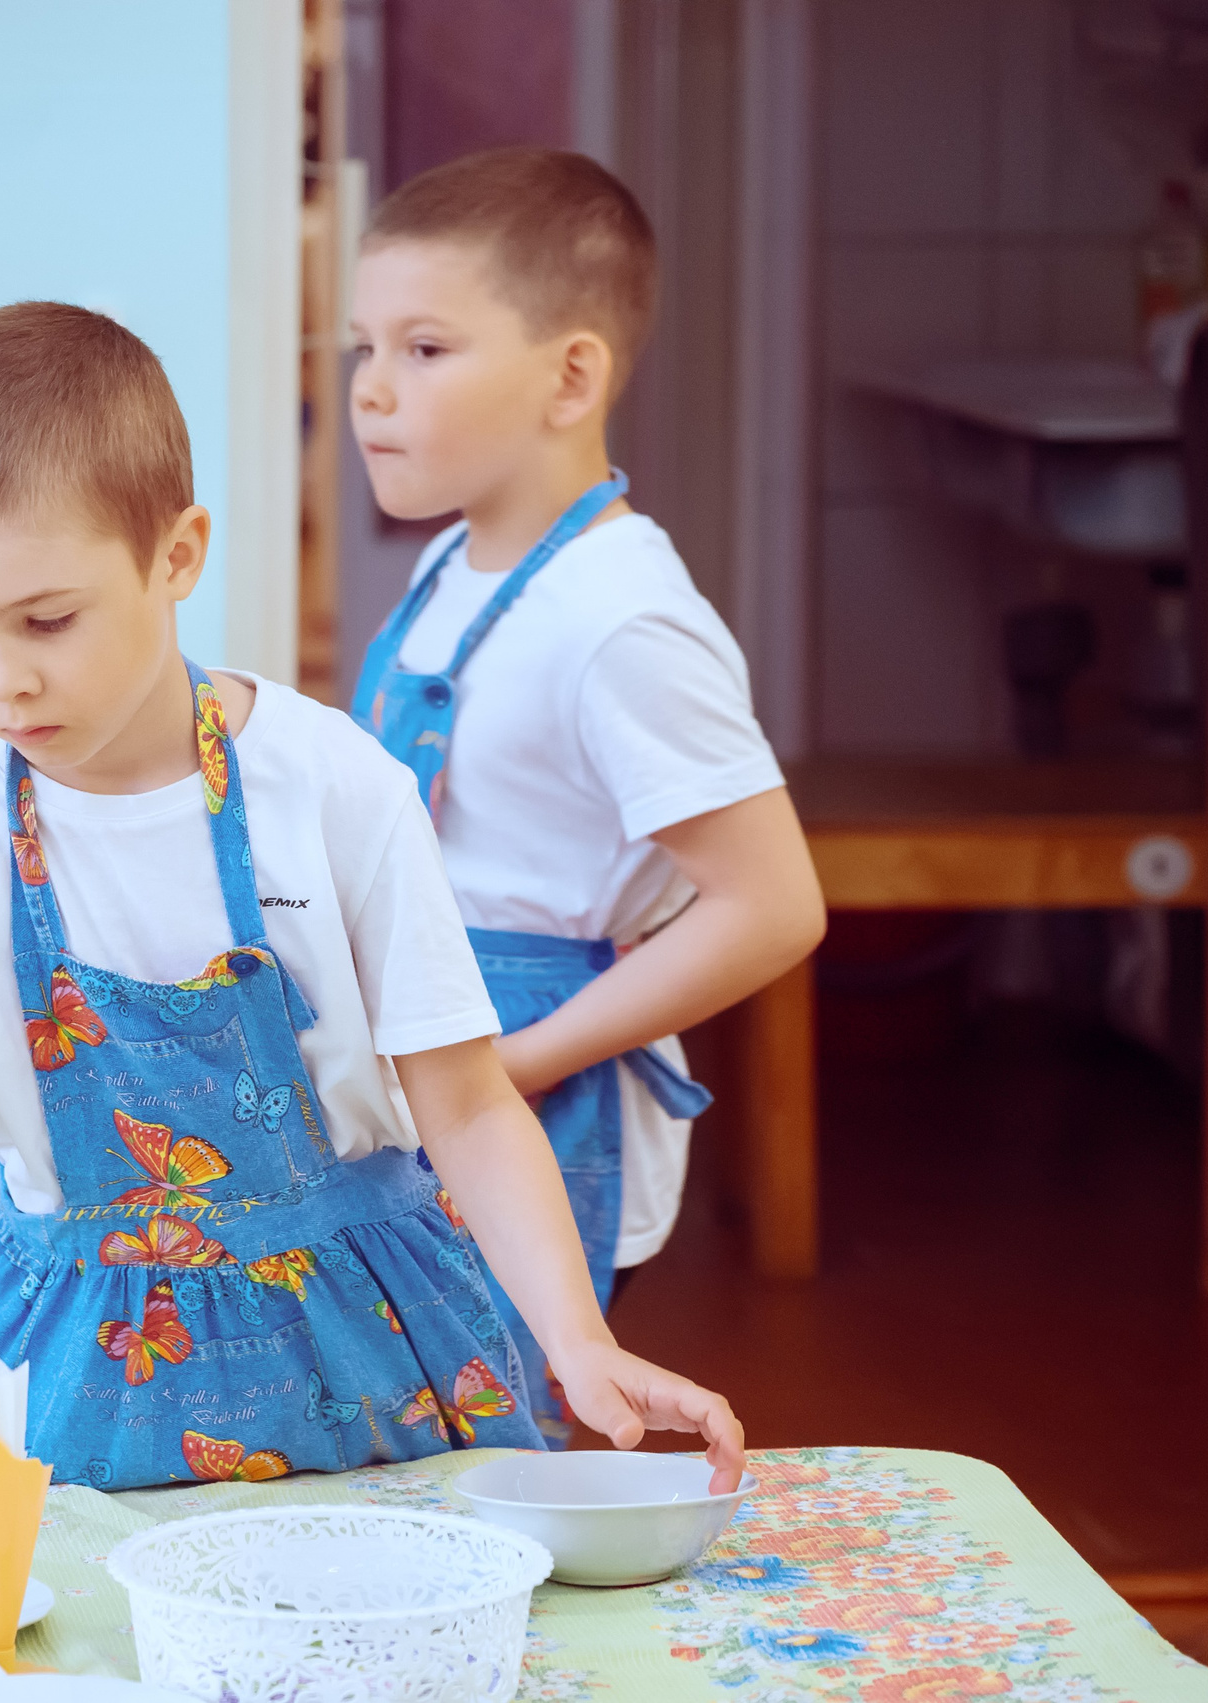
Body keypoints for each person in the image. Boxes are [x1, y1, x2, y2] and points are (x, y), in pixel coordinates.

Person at [0, 301, 743, 1563]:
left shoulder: (335, 788)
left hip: (381, 1355)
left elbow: (468, 1108)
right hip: (75, 1392)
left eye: (46, 619)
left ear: (176, 554)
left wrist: (578, 1339)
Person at [346, 148, 826, 1441]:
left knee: (512, 1450)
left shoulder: (622, 620)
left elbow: (774, 906)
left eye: (426, 348)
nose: (372, 391)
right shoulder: (454, 558)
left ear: (571, 375)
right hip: (435, 1054)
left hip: (529, 1076)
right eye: (362, 347)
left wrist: (511, 1062)